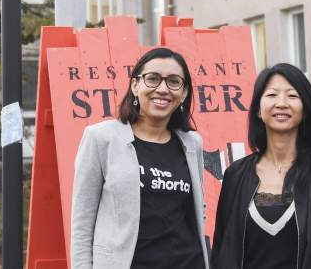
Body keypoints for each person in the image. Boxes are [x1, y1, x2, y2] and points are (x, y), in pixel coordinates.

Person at [211, 63, 311, 269]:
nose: (281, 103)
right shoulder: (235, 176)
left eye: (292, 96)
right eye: (272, 95)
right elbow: (221, 252)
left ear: (305, 110)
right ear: (258, 109)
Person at [70, 47, 209, 269]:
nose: (162, 89)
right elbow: (82, 222)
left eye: (174, 82)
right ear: (135, 86)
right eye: (152, 79)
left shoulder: (192, 143)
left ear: (183, 93)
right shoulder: (100, 138)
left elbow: (196, 211)